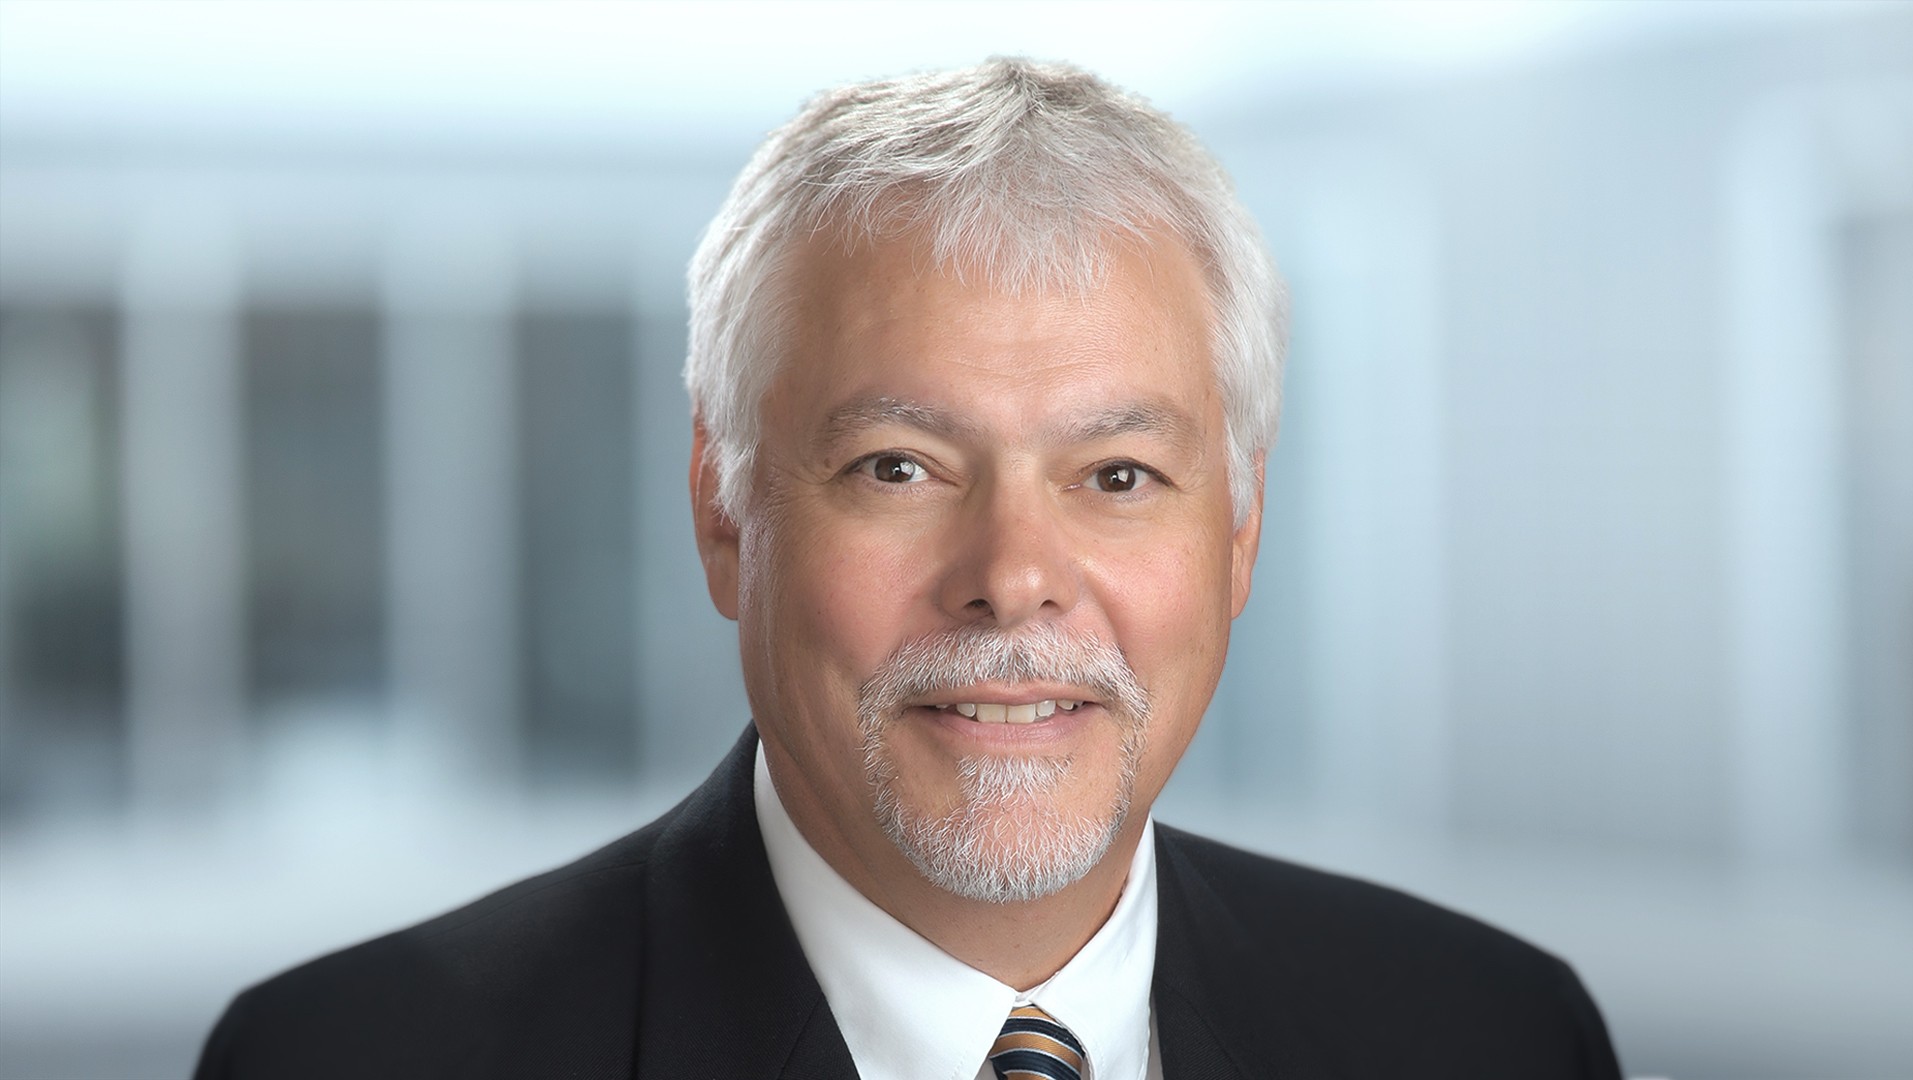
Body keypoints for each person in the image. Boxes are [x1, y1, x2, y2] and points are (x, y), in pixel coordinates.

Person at [195, 59, 1622, 1079]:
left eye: (1116, 477)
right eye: (900, 468)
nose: (1014, 577)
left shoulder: (1493, 1034)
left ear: (1239, 535)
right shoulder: (356, 1056)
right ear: (725, 512)